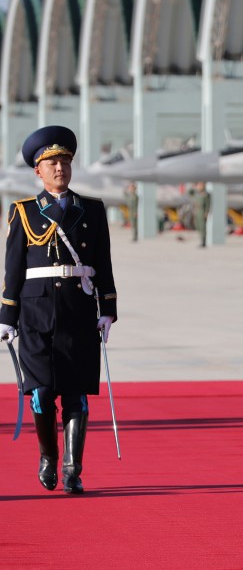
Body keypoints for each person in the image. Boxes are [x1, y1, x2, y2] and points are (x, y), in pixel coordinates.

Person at [0, 125, 117, 494]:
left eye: (65, 161)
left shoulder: (92, 211)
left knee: (76, 391)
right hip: (34, 315)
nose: (60, 168)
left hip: (78, 310)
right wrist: (6, 317)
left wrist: (107, 307)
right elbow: (13, 268)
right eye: (52, 162)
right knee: (41, 391)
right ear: (38, 170)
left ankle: (72, 468)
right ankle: (48, 456)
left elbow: (103, 262)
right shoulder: (23, 212)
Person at [190, 182, 210, 247]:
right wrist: (193, 187)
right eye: (198, 185)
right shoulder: (197, 194)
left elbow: (208, 204)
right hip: (197, 211)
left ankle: (203, 242)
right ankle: (201, 239)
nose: (199, 187)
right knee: (197, 226)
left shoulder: (206, 194)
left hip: (202, 211)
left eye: (200, 185)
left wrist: (206, 212)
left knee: (202, 227)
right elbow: (189, 193)